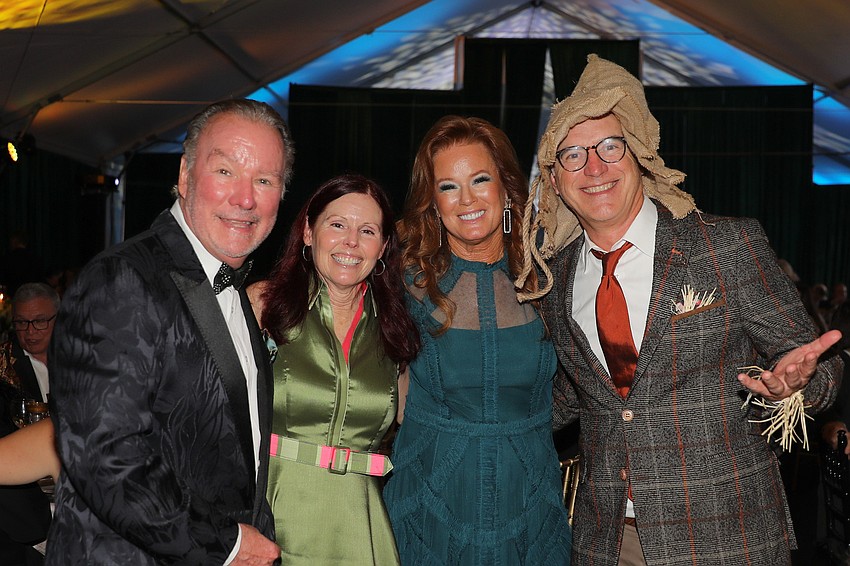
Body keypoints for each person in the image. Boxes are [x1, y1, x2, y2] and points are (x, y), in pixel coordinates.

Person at [516, 54, 843, 565]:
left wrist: (795, 387)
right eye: (572, 155)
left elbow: (817, 365)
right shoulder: (552, 283)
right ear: (554, 181)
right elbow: (571, 396)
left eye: (609, 146)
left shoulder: (726, 245)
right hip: (607, 540)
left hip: (728, 533)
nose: (594, 167)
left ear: (639, 155)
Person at [46, 98, 294, 565]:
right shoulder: (120, 280)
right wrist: (229, 544)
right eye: (225, 172)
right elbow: (107, 458)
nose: (245, 198)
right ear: (183, 176)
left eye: (265, 180)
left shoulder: (232, 284)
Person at [383, 115, 572, 564]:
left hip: (529, 497)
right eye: (448, 186)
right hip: (430, 500)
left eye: (480, 179)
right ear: (433, 200)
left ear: (506, 187)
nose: (466, 199)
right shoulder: (403, 278)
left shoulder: (549, 272)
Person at [247, 173, 419, 564]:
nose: (351, 242)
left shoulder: (397, 332)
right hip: (271, 516)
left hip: (360, 528)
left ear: (384, 247)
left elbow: (421, 427)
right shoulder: (262, 305)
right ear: (309, 232)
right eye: (337, 224)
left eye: (368, 230)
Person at [4, 282, 60, 403]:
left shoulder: (82, 357)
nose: (30, 331)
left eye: (40, 321)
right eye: (22, 322)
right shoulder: (4, 366)